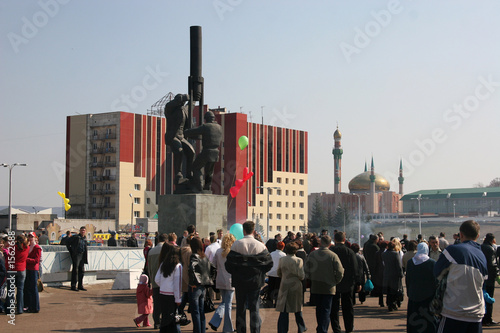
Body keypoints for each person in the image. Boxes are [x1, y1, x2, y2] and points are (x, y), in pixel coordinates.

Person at [434, 220, 488, 332]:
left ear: (461, 235)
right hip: (476, 314)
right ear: (477, 236)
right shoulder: (482, 256)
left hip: (453, 312)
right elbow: (484, 281)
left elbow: (437, 273)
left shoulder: (452, 251)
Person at [225, 221, 273, 333]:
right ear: (254, 231)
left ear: (243, 230)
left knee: (240, 309)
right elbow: (269, 263)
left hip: (239, 281)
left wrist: (236, 273)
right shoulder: (260, 246)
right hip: (255, 281)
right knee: (254, 309)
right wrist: (260, 272)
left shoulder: (236, 245)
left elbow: (228, 264)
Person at [305, 235, 344, 333]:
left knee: (318, 309)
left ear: (320, 243)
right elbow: (340, 271)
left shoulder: (313, 254)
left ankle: (320, 328)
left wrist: (311, 278)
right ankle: (322, 329)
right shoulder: (333, 255)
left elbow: (306, 269)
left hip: (316, 285)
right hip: (329, 286)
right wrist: (335, 281)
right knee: (326, 310)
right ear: (330, 244)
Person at [183, 110, 223, 192]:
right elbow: (208, 136)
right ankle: (207, 188)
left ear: (206, 118)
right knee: (209, 172)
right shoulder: (219, 127)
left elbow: (194, 131)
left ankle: (199, 187)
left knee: (195, 167)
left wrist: (184, 132)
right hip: (216, 153)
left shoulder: (206, 126)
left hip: (207, 151)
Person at [329, 231, 360, 333]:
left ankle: (336, 328)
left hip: (334, 282)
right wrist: (358, 282)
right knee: (348, 307)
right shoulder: (350, 252)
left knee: (334, 307)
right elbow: (355, 268)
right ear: (344, 239)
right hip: (348, 282)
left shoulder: (331, 251)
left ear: (335, 239)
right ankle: (349, 327)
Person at [406, 242, 437, 333]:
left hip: (413, 296)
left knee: (414, 319)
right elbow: (435, 281)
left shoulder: (411, 262)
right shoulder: (432, 263)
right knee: (428, 321)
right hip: (428, 297)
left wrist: (409, 292)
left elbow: (408, 279)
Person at [276, 242, 307, 333]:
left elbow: (279, 272)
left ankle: (282, 329)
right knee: (297, 308)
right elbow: (301, 275)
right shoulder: (299, 260)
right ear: (295, 251)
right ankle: (301, 327)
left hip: (285, 284)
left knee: (284, 309)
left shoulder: (282, 259)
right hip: (296, 286)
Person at [208, 233, 236, 332]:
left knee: (224, 303)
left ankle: (216, 321)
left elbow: (214, 265)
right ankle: (227, 328)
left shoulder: (218, 252)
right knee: (227, 305)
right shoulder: (233, 252)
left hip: (220, 280)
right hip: (230, 281)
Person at [189, 236, 215, 333]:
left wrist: (193, 282)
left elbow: (191, 268)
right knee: (201, 311)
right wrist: (209, 279)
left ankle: (197, 331)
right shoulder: (204, 256)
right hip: (203, 286)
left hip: (196, 286)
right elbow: (213, 268)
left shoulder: (194, 256)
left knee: (195, 312)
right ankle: (202, 330)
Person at [155, 246, 182, 333]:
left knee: (164, 317)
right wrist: (178, 298)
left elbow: (157, 279)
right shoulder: (178, 266)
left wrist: (163, 285)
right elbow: (177, 284)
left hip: (163, 293)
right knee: (171, 319)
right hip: (172, 295)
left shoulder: (163, 264)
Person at [147, 233, 168, 329]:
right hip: (165, 281)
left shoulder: (151, 251)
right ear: (166, 240)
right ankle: (164, 321)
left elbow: (148, 267)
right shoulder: (167, 250)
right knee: (166, 303)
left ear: (158, 240)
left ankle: (156, 322)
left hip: (155, 281)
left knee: (157, 303)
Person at [6, 235, 29, 314]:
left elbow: (8, 259)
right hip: (22, 269)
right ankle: (20, 308)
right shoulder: (27, 248)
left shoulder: (13, 248)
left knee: (11, 290)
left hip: (12, 269)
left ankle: (10, 309)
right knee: (20, 290)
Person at [481, 233, 499, 326]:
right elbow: (492, 264)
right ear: (492, 240)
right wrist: (497, 273)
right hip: (489, 278)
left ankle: (483, 318)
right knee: (490, 299)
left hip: (481, 277)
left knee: (482, 298)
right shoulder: (491, 249)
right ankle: (488, 319)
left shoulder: (481, 247)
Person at [382, 239, 403, 312]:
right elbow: (399, 265)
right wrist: (401, 274)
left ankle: (389, 304)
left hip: (387, 273)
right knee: (394, 290)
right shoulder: (395, 254)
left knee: (388, 290)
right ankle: (393, 304)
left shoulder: (384, 254)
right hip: (394, 274)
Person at [66, 226, 88, 291]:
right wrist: (71, 251)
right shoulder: (76, 237)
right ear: (80, 231)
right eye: (81, 230)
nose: (83, 231)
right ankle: (73, 285)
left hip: (82, 255)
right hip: (76, 255)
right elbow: (67, 242)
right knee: (75, 270)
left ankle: (80, 285)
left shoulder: (84, 238)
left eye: (84, 230)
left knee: (82, 270)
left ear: (85, 231)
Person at [24, 232, 42, 313]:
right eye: (29, 237)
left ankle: (35, 307)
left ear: (35, 238)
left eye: (32, 237)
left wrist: (26, 259)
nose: (30, 238)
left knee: (33, 288)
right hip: (27, 269)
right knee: (28, 288)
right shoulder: (27, 247)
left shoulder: (37, 248)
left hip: (33, 269)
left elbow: (36, 260)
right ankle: (29, 305)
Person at [267, 241, 286, 307]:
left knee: (270, 288)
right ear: (283, 247)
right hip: (279, 274)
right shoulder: (283, 255)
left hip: (271, 273)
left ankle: (269, 302)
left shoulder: (272, 253)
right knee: (278, 289)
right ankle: (277, 302)